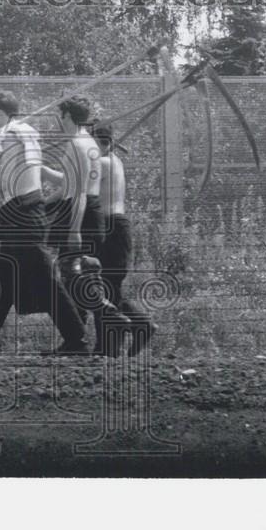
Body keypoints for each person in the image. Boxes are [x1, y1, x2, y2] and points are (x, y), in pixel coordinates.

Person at [0, 91, 89, 356]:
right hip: (23, 215)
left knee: (47, 282)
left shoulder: (11, 136)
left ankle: (78, 340)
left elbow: (7, 180)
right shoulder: (27, 133)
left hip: (22, 217)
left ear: (0, 113)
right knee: (0, 283)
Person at [42, 97, 130, 354]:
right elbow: (71, 183)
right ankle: (79, 338)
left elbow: (80, 192)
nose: (59, 119)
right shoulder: (85, 143)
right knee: (76, 274)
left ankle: (104, 316)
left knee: (71, 273)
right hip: (83, 209)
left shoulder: (80, 144)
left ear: (67, 115)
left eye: (60, 114)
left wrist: (74, 229)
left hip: (81, 211)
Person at [91, 121, 158, 356]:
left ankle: (113, 343)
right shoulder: (115, 161)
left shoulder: (103, 163)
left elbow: (79, 186)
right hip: (116, 227)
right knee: (109, 289)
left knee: (101, 289)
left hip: (110, 228)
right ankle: (133, 331)